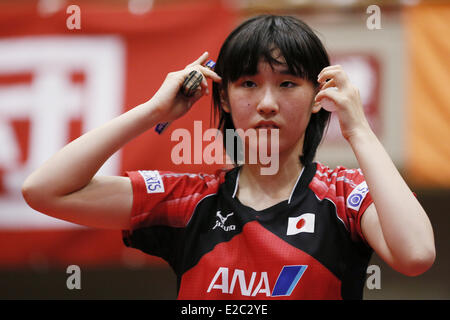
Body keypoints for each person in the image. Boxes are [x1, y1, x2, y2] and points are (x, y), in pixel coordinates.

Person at [22, 15, 435, 300]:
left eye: (288, 83)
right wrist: (153, 111)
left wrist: (357, 128)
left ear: (317, 99)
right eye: (249, 84)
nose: (267, 102)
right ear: (225, 96)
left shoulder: (345, 196)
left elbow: (415, 254)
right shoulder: (188, 201)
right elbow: (44, 191)